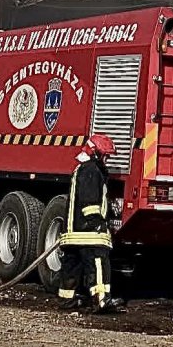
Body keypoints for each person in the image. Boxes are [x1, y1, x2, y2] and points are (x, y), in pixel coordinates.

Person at [57, 134, 123, 314]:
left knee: (71, 267)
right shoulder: (91, 170)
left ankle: (66, 300)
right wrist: (99, 224)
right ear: (95, 153)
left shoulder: (81, 169)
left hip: (73, 233)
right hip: (89, 233)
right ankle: (102, 301)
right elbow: (90, 203)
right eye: (105, 155)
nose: (106, 159)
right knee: (98, 264)